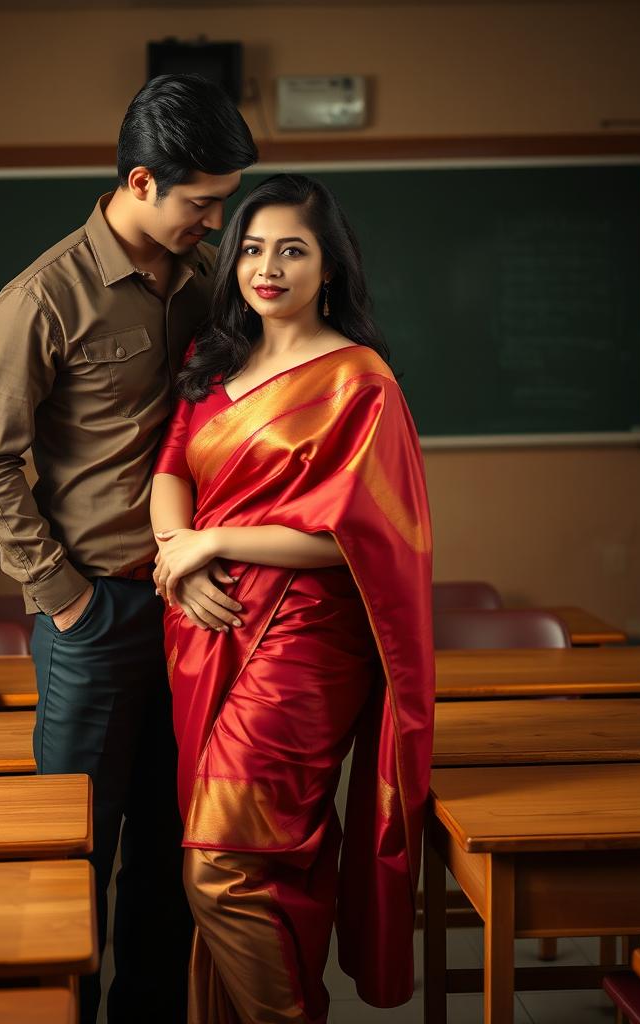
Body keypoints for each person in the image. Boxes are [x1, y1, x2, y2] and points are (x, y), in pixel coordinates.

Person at [0, 75, 257, 1024]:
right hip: (96, 615)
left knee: (175, 850)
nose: (217, 222)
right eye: (203, 202)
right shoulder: (41, 300)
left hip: (193, 606)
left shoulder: (209, 282)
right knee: (77, 854)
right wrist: (68, 601)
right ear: (140, 181)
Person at [150, 173, 435, 1023]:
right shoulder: (213, 359)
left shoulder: (359, 382)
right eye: (251, 247)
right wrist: (179, 554)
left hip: (310, 637)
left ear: (330, 268)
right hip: (205, 628)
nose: (266, 267)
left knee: (219, 865)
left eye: (292, 250)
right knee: (269, 861)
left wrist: (216, 541)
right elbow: (169, 470)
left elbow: (363, 540)